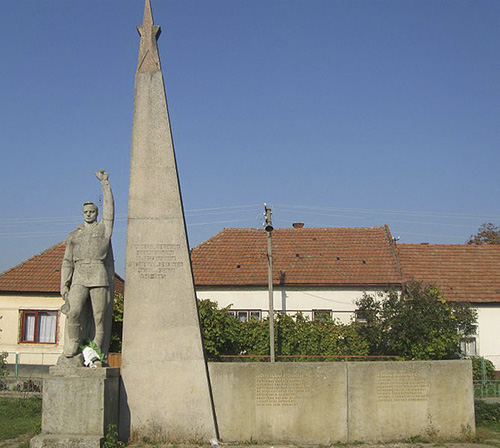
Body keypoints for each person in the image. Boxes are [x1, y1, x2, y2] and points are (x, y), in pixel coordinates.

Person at [60, 170, 115, 359]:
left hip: (98, 275)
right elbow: (67, 262)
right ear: (82, 213)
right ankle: (73, 343)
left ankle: (96, 351)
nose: (89, 214)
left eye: (92, 211)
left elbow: (110, 211)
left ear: (96, 213)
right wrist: (64, 284)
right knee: (73, 311)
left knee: (99, 317)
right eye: (86, 212)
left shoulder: (103, 229)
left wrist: (105, 184)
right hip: (79, 276)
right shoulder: (74, 235)